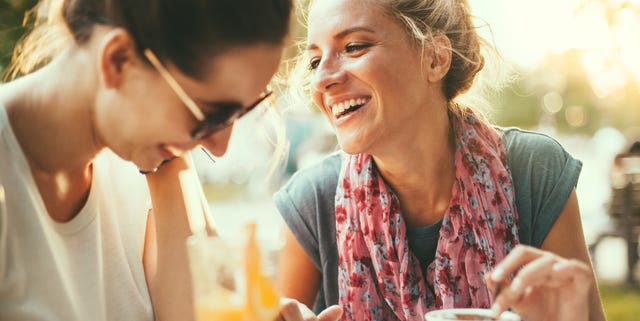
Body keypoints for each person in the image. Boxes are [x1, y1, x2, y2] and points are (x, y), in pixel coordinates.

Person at [0, 0, 343, 320]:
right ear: (117, 60)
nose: (219, 146)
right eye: (211, 114)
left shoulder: (150, 153)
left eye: (243, 111)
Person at [273, 0, 606, 321]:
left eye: (354, 47)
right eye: (315, 61)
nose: (322, 79)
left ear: (435, 58)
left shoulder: (534, 171)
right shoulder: (313, 200)